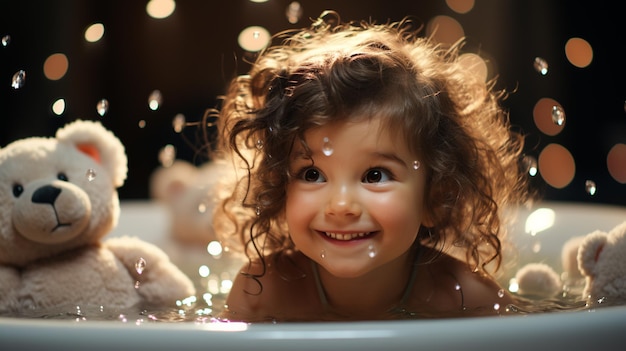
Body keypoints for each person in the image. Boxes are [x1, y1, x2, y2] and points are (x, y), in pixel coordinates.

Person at [210, 11, 533, 322]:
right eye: (312, 174)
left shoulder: (468, 299)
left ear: (436, 196)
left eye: (375, 175)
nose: (341, 206)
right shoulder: (261, 293)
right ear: (279, 190)